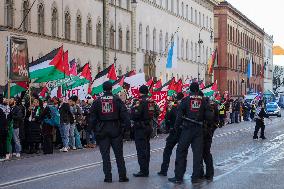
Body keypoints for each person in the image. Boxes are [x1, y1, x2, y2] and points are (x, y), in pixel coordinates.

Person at [90, 81, 130, 183]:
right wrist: (126, 129)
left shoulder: (97, 101)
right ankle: (122, 176)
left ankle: (108, 177)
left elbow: (92, 118)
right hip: (115, 129)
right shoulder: (117, 100)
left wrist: (92, 130)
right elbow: (125, 115)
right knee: (119, 155)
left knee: (105, 155)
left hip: (102, 130)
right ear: (111, 88)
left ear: (103, 89)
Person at [168, 82, 207, 184]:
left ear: (190, 89)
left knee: (181, 151)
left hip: (187, 129)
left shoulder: (186, 100)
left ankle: (179, 177)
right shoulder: (203, 100)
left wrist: (176, 129)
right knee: (197, 154)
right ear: (198, 90)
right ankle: (195, 177)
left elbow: (179, 117)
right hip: (199, 130)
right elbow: (207, 116)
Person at [131, 85, 159, 177]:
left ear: (140, 92)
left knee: (141, 149)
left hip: (140, 127)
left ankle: (143, 170)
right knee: (147, 148)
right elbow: (157, 112)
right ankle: (145, 169)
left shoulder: (139, 101)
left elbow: (136, 114)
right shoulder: (151, 101)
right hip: (149, 126)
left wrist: (132, 109)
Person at [158, 92, 184, 176]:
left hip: (174, 132)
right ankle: (179, 173)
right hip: (183, 132)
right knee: (181, 153)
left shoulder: (173, 107)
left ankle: (164, 170)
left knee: (167, 151)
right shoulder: (186, 105)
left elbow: (167, 118)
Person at [200, 97, 219, 181]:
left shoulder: (206, 110)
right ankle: (209, 173)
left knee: (202, 153)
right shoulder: (213, 108)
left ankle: (204, 173)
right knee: (206, 153)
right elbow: (217, 122)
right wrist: (212, 130)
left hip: (203, 134)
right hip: (209, 133)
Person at [0, 95, 8, 160]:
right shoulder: (4, 107)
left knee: (2, 142)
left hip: (2, 128)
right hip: (4, 127)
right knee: (3, 141)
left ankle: (2, 155)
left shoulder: (2, 108)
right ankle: (4, 154)